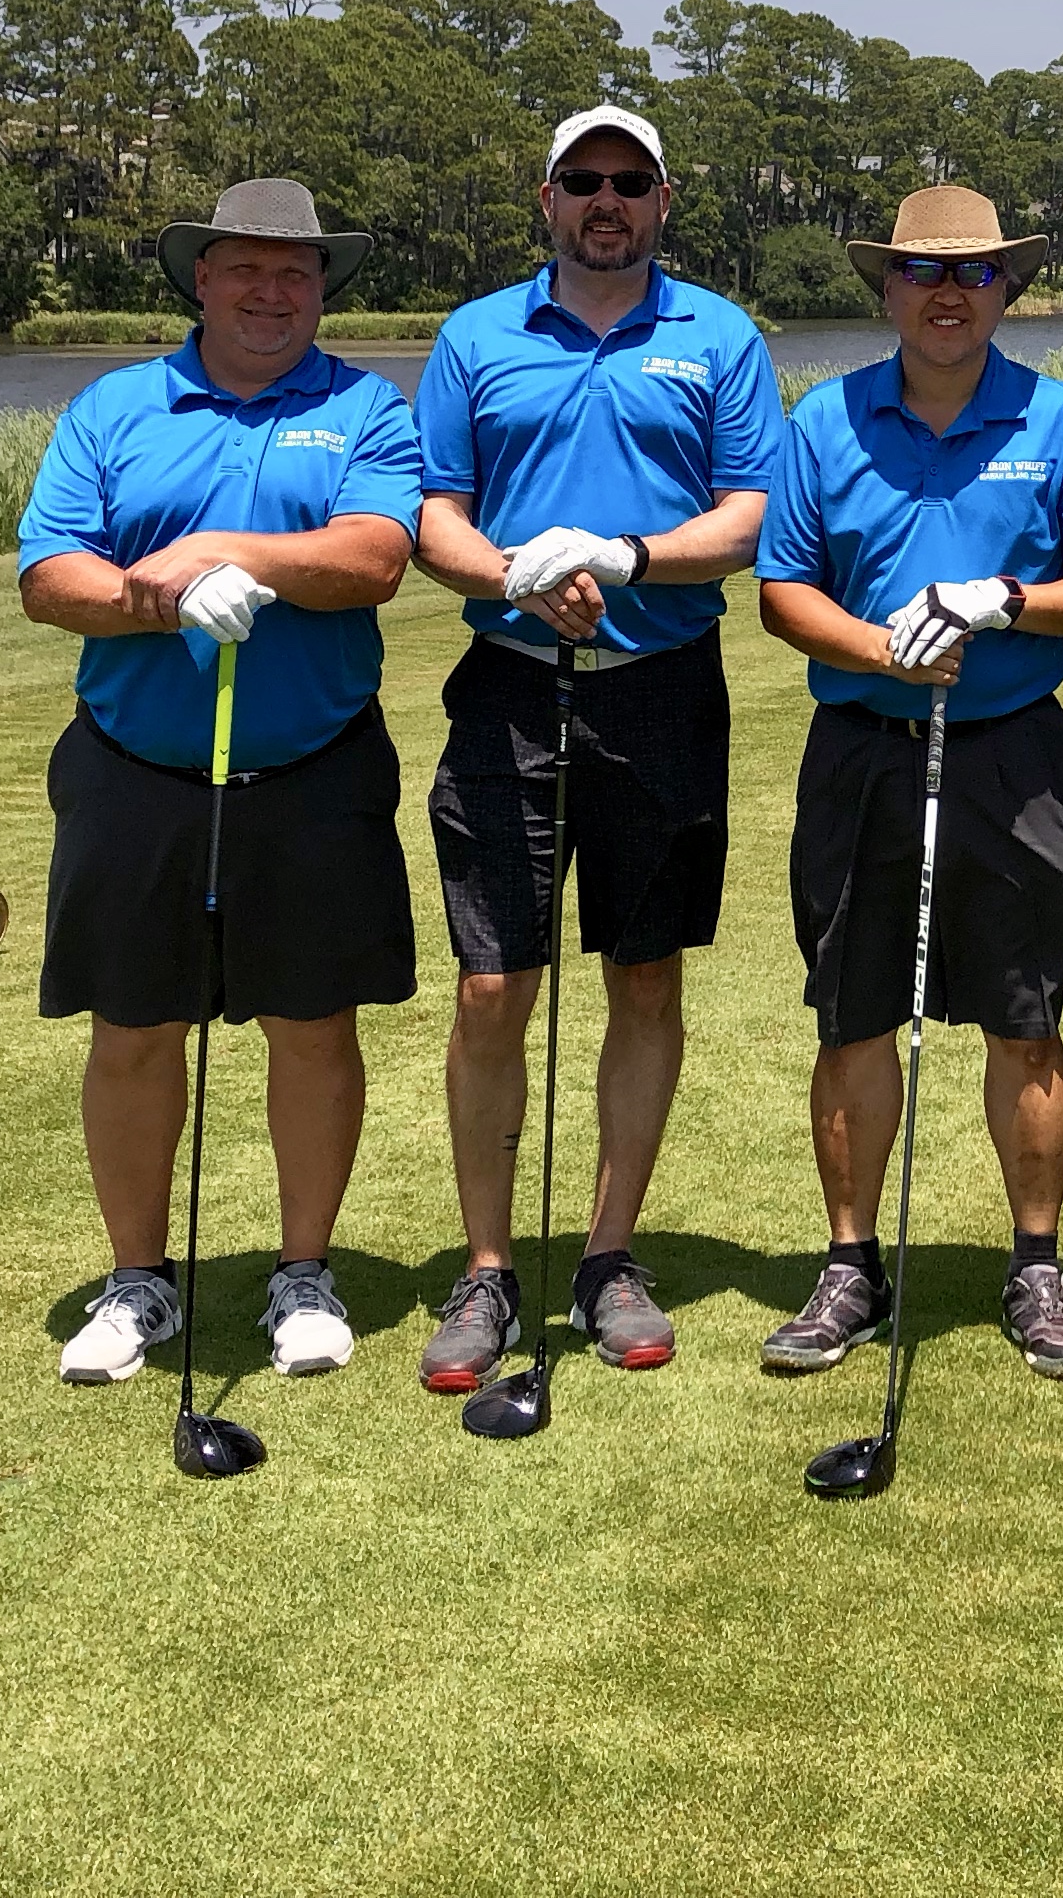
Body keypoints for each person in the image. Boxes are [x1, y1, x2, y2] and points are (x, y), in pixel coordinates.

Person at [16, 178, 427, 1391]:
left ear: (322, 289)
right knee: (134, 1027)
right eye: (245, 267)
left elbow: (376, 558)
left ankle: (304, 1275)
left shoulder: (362, 407)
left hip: (311, 768)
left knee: (314, 1025)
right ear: (200, 278)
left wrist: (228, 554)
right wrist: (159, 597)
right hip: (137, 769)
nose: (270, 291)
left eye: (295, 272)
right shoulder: (116, 406)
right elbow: (48, 575)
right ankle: (138, 1280)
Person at [407, 104, 785, 1389]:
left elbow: (749, 516)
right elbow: (435, 515)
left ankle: (609, 1255)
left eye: (630, 181)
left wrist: (626, 556)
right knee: (491, 986)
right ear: (549, 198)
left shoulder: (719, 337)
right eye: (584, 181)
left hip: (662, 687)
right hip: (511, 687)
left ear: (664, 200)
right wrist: (512, 574)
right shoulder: (477, 337)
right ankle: (487, 1269)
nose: (606, 200)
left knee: (645, 974)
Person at [752, 186, 1063, 1383]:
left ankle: (1035, 1267)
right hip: (863, 747)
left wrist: (1007, 599)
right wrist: (882, 650)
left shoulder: (1057, 419)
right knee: (856, 1014)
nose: (947, 295)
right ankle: (850, 1265)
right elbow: (783, 592)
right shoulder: (825, 421)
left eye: (973, 274)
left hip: (1012, 756)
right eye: (922, 272)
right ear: (886, 287)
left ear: (1005, 289)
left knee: (1025, 1017)